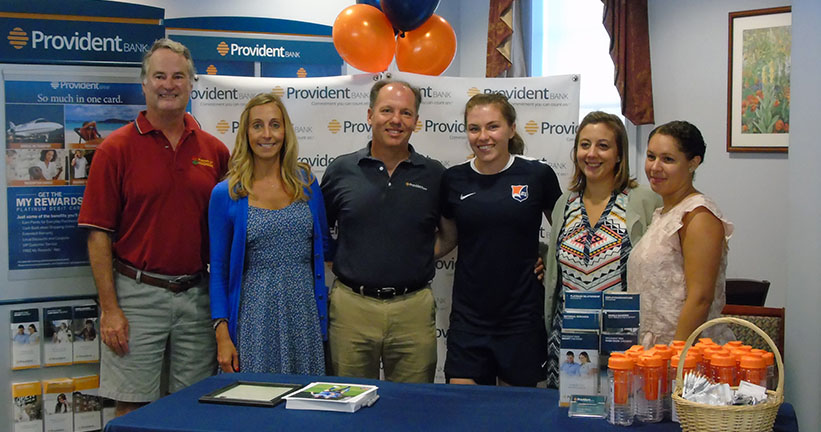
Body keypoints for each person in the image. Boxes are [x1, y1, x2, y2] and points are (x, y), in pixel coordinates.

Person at [77, 38, 229, 417]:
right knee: (132, 405)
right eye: (159, 76)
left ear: (191, 85)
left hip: (197, 297)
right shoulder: (115, 149)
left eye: (178, 76)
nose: (169, 84)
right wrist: (110, 309)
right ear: (144, 84)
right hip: (136, 296)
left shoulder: (215, 151)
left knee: (193, 406)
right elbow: (98, 235)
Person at [321, 80, 445, 383]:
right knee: (347, 403)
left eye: (406, 113)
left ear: (416, 121)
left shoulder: (435, 174)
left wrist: (412, 257)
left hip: (412, 309)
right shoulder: (341, 170)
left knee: (411, 410)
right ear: (369, 115)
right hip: (352, 308)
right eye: (387, 110)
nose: (395, 120)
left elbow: (450, 233)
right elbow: (319, 231)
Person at [438, 93, 561, 387]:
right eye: (474, 128)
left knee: (516, 417)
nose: (483, 137)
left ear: (511, 128)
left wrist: (548, 258)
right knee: (464, 413)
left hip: (521, 319)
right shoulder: (453, 179)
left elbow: (562, 234)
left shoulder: (538, 174)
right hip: (469, 320)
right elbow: (447, 240)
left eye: (493, 126)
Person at [209, 93, 330, 375]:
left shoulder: (308, 185)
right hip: (254, 317)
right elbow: (219, 270)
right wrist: (222, 334)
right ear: (246, 133)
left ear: (285, 131)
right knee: (255, 405)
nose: (267, 134)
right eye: (258, 125)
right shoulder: (226, 193)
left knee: (304, 406)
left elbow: (324, 244)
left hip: (304, 314)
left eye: (275, 125)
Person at [544, 111, 661, 388]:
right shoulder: (565, 204)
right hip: (570, 341)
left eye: (603, 146)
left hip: (624, 340)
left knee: (620, 416)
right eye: (585, 145)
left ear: (619, 154)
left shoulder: (643, 201)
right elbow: (555, 272)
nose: (592, 153)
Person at [627, 120, 734, 347]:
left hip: (686, 353)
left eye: (668, 159)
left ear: (693, 163)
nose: (655, 167)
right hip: (653, 351)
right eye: (650, 156)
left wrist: (676, 358)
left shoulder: (698, 215)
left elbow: (701, 299)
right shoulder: (663, 213)